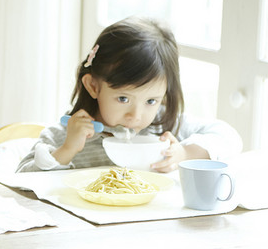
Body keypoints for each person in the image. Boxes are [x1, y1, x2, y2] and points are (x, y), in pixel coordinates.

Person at [17, 16, 242, 172]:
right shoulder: (68, 134)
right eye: (123, 99)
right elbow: (21, 181)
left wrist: (184, 152)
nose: (136, 115)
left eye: (151, 100)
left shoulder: (162, 126)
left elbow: (229, 137)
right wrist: (66, 150)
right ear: (93, 86)